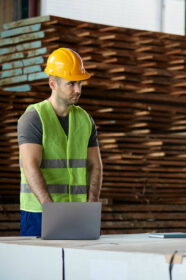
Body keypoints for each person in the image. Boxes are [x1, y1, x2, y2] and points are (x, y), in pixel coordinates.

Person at [18, 48, 103, 236]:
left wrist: (92, 208)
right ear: (52, 84)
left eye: (80, 83)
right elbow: (31, 167)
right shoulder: (33, 118)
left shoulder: (85, 120)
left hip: (79, 213)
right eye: (71, 84)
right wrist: (52, 212)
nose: (78, 90)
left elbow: (94, 166)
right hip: (39, 213)